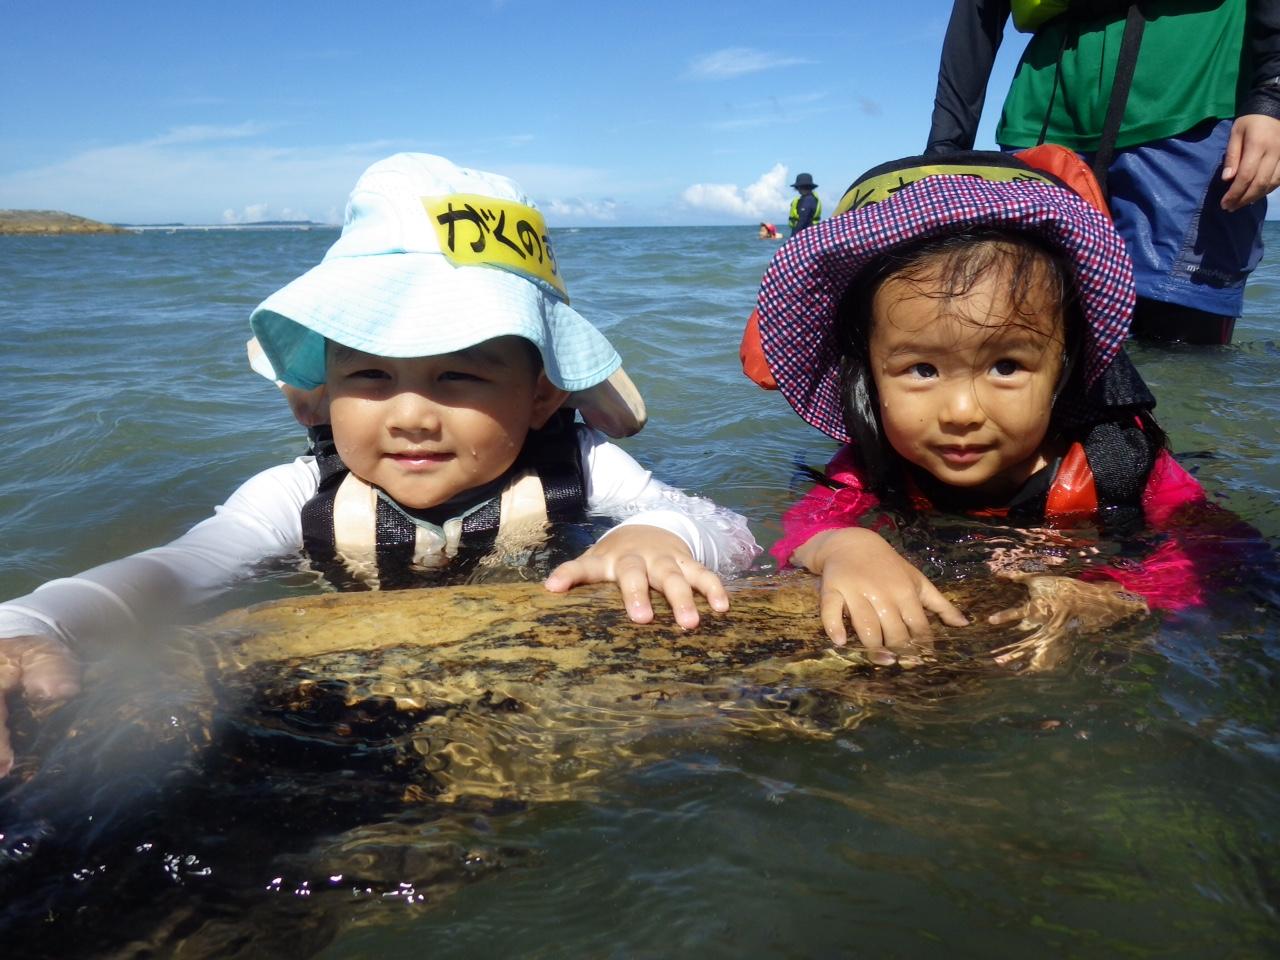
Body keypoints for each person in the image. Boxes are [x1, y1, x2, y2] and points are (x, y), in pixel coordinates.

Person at [0, 153, 761, 777]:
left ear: (540, 396)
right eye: (370, 377)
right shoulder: (297, 493)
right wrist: (34, 622)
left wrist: (661, 533)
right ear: (317, 399)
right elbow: (170, 571)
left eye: (459, 375)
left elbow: (728, 530)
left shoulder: (583, 466)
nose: (410, 415)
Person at [755, 151, 1237, 669]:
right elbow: (803, 529)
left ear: (1063, 365)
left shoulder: (1119, 463)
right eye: (921, 370)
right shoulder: (873, 468)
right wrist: (843, 547)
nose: (961, 411)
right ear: (869, 376)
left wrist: (1122, 595)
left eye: (1006, 366)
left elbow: (1216, 554)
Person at [926, 0, 1280, 345]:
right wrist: (944, 151)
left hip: (1195, 97)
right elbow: (977, 14)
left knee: (1180, 350)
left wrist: (1271, 93)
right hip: (1042, 116)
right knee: (1022, 334)